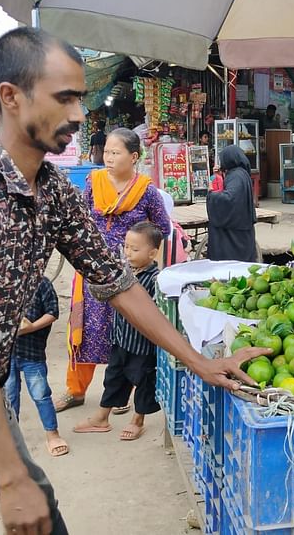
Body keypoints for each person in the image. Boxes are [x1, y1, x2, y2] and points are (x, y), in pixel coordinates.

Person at [0, 26, 267, 535]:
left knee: (42, 509)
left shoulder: (53, 191)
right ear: (10, 98)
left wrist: (201, 363)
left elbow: (118, 282)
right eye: (65, 98)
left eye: (79, 97)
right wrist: (11, 480)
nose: (80, 115)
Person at [57, 127, 172, 414]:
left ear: (133, 157)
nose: (108, 157)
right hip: (93, 271)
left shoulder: (146, 191)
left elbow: (163, 228)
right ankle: (76, 390)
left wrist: (137, 247)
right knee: (86, 330)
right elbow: (81, 220)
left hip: (130, 276)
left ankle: (122, 392)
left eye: (115, 152)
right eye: (106, 151)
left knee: (128, 333)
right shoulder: (93, 182)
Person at [74, 222, 163, 440]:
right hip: (121, 338)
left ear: (152, 253)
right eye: (126, 247)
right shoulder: (124, 272)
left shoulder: (154, 279)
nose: (128, 253)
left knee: (143, 381)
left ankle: (137, 420)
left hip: (142, 344)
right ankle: (102, 417)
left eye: (135, 249)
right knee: (114, 376)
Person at [5, 277, 68, 457]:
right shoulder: (1, 281)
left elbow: (52, 312)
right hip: (6, 353)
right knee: (9, 397)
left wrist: (30, 327)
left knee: (41, 394)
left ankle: (52, 434)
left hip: (32, 352)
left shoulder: (41, 283)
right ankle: (12, 438)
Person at [206, 145, 258, 262]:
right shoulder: (240, 174)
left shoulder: (236, 176)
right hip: (242, 231)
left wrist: (211, 195)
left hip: (235, 235)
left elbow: (229, 199)